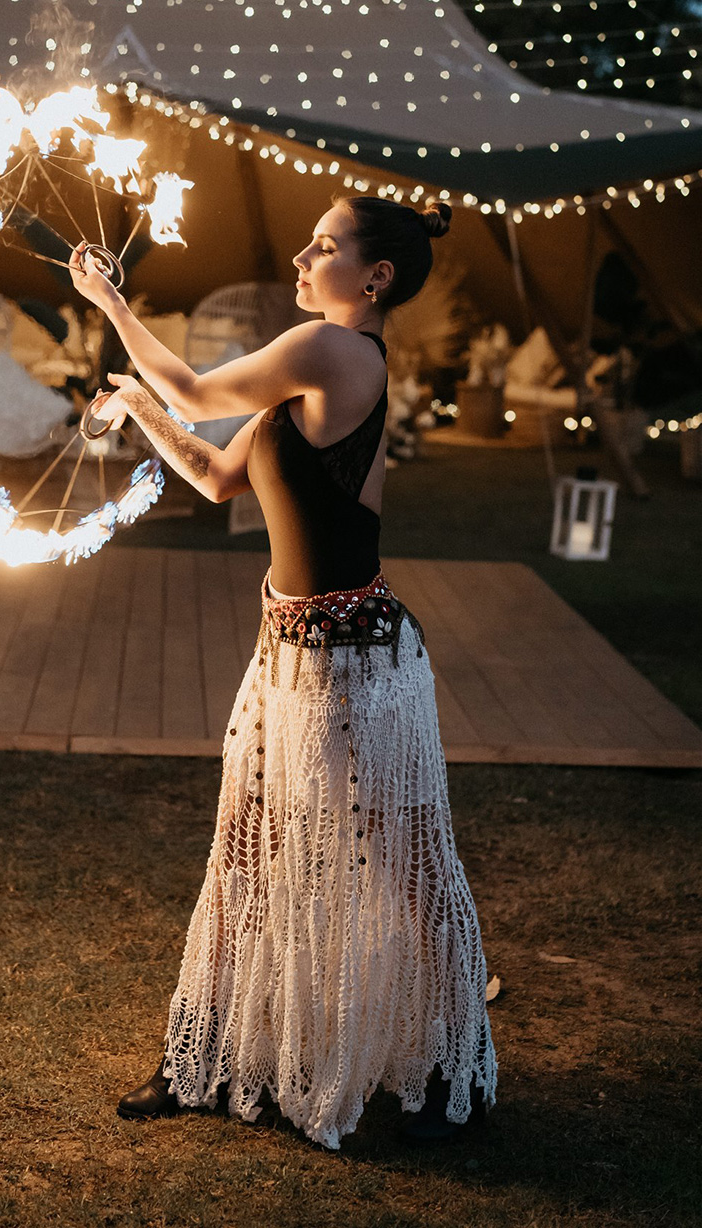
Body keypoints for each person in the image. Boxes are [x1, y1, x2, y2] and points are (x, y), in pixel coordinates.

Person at [67, 195, 497, 1151]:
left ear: (374, 278)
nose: (304, 255)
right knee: (249, 852)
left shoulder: (335, 350)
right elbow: (221, 475)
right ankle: (200, 1055)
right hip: (291, 656)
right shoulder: (316, 370)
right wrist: (136, 406)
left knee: (406, 864)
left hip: (358, 666)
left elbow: (195, 391)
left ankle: (455, 1055)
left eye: (326, 245)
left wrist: (111, 303)